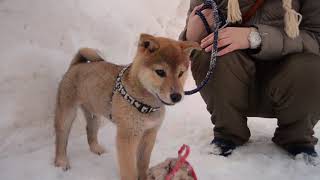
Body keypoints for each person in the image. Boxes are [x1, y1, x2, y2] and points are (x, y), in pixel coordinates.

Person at [179, 0, 320, 159]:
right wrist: (191, 35)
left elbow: (316, 38)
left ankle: (296, 136)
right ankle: (228, 131)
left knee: (313, 66)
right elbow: (188, 45)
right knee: (211, 53)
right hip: (230, 78)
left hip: (292, 83)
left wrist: (256, 36)